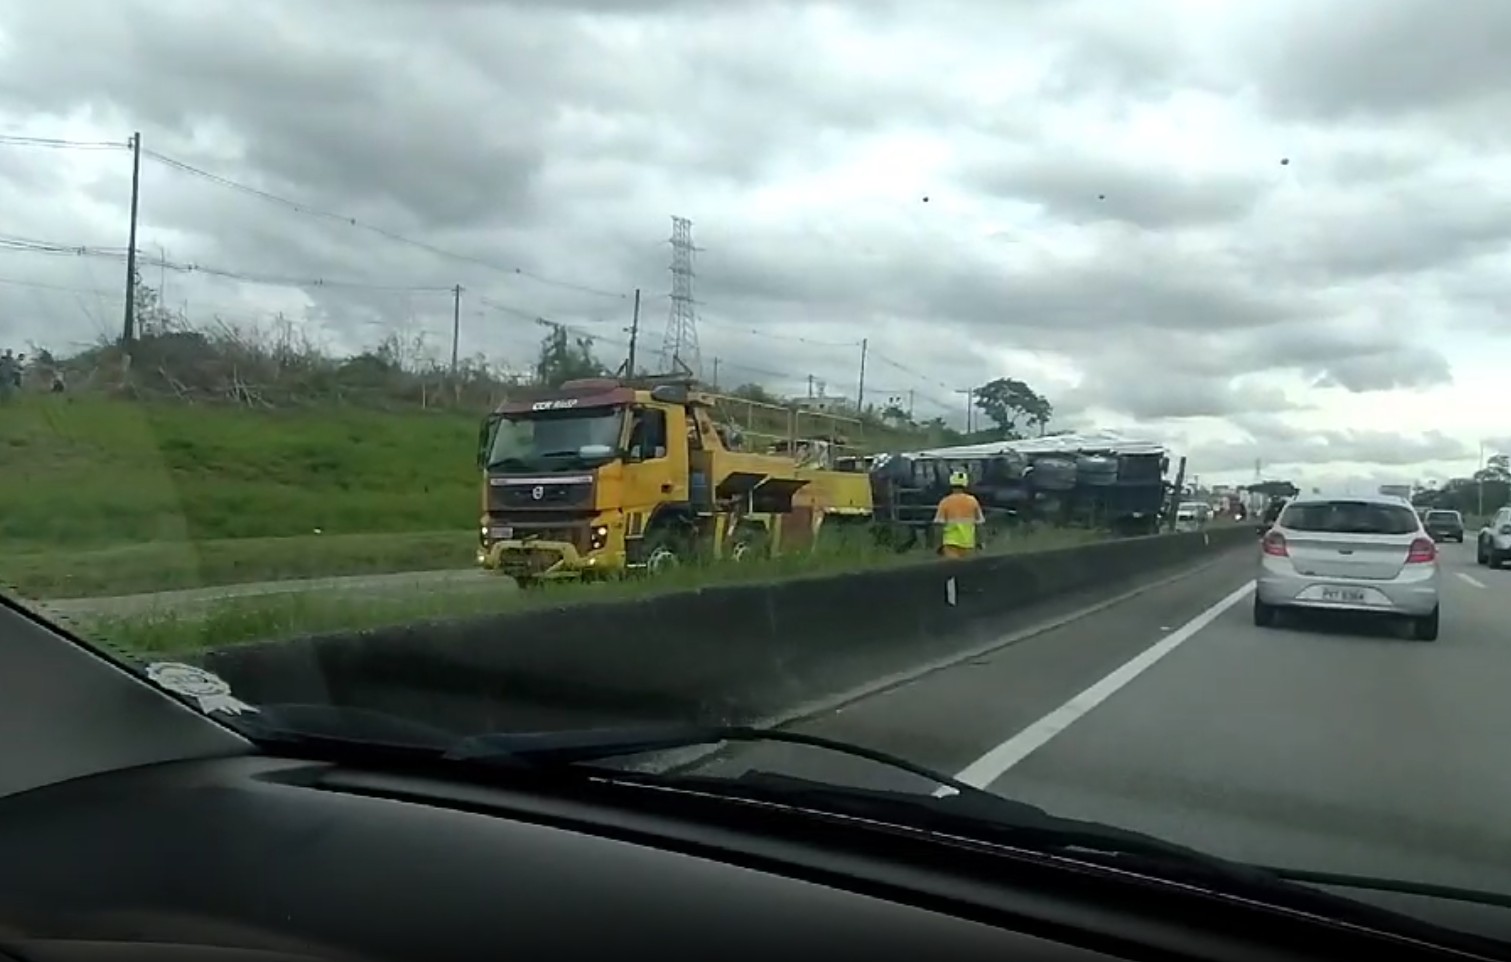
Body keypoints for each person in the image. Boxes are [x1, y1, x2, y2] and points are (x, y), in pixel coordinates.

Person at [933, 470, 985, 559]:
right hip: (968, 543)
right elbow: (979, 524)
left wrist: (938, 544)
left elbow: (939, 525)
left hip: (950, 543)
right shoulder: (972, 501)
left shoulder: (945, 501)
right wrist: (981, 541)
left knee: (952, 571)